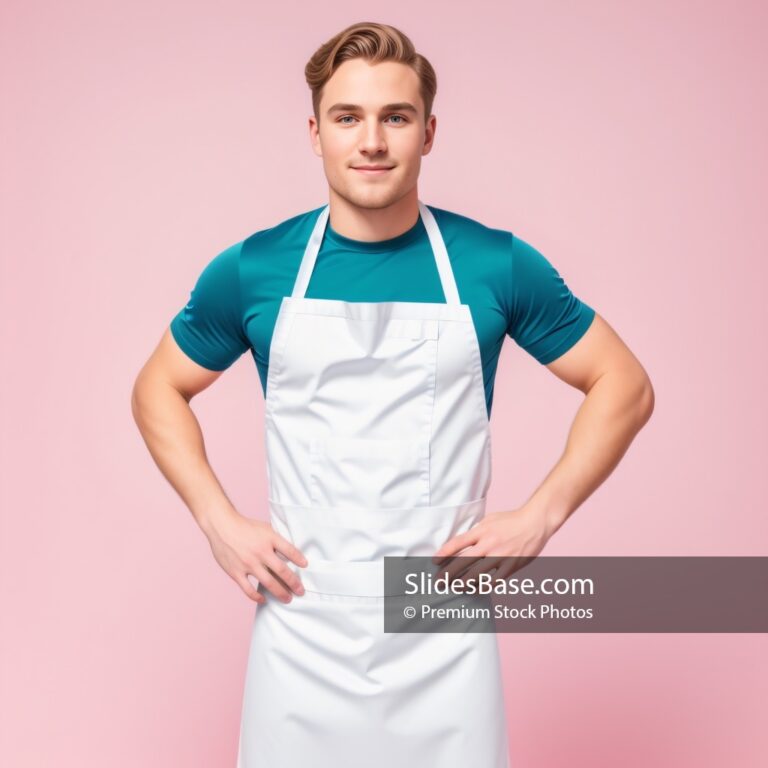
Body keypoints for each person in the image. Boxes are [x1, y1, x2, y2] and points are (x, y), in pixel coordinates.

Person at [131, 21, 654, 768]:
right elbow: (158, 388)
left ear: (428, 132)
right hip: (303, 629)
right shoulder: (255, 269)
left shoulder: (494, 265)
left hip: (442, 631)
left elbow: (624, 385)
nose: (371, 140)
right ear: (316, 132)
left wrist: (542, 515)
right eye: (348, 117)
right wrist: (217, 521)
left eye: (395, 117)